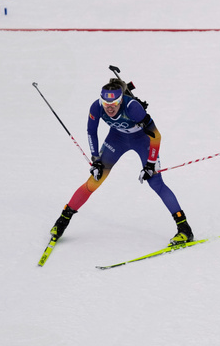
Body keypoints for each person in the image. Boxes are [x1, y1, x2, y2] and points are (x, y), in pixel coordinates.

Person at [49, 78, 194, 245]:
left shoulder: (132, 107)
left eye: (114, 104)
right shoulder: (96, 107)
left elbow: (156, 135)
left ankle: (184, 228)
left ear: (120, 101)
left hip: (142, 140)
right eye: (106, 103)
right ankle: (62, 221)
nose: (109, 108)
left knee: (155, 183)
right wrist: (95, 159)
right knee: (95, 179)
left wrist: (150, 164)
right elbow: (91, 132)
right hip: (117, 139)